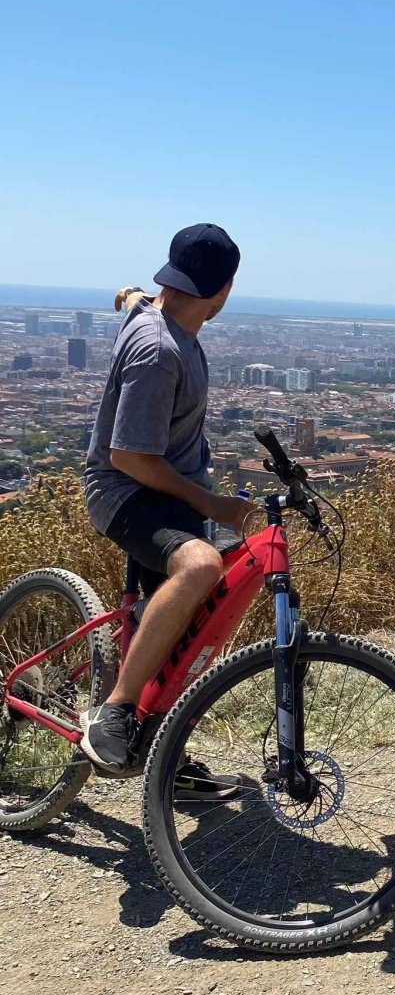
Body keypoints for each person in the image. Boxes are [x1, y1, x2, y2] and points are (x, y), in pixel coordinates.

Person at [80, 224, 252, 798]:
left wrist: (127, 294)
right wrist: (211, 504)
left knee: (195, 615)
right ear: (224, 289)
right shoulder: (160, 350)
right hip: (125, 490)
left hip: (163, 492)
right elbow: (128, 455)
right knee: (201, 567)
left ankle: (165, 753)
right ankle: (117, 709)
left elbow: (129, 300)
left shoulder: (155, 313)